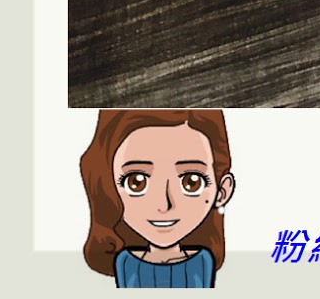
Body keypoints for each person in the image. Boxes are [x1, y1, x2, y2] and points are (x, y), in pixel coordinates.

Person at [80, 109, 236, 288]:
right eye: (136, 182)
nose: (164, 205)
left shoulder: (203, 261)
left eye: (191, 182)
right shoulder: (124, 262)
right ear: (108, 186)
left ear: (221, 191)